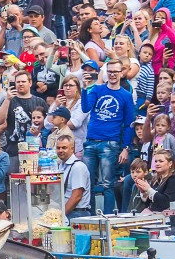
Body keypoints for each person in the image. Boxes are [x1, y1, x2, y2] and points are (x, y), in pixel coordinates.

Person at [80, 59, 135, 214]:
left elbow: (129, 124)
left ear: (121, 73)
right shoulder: (97, 89)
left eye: (115, 72)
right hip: (91, 141)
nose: (112, 74)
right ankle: (88, 216)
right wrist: (84, 89)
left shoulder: (126, 95)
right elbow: (86, 107)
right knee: (88, 183)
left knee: (107, 184)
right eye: (109, 71)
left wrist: (126, 148)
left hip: (110, 143)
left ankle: (109, 217)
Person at [55, 134, 91, 220]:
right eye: (58, 148)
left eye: (64, 148)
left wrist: (60, 217)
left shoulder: (78, 167)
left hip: (77, 214)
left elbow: (77, 196)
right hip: (68, 212)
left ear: (72, 149)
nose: (60, 150)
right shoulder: (62, 165)